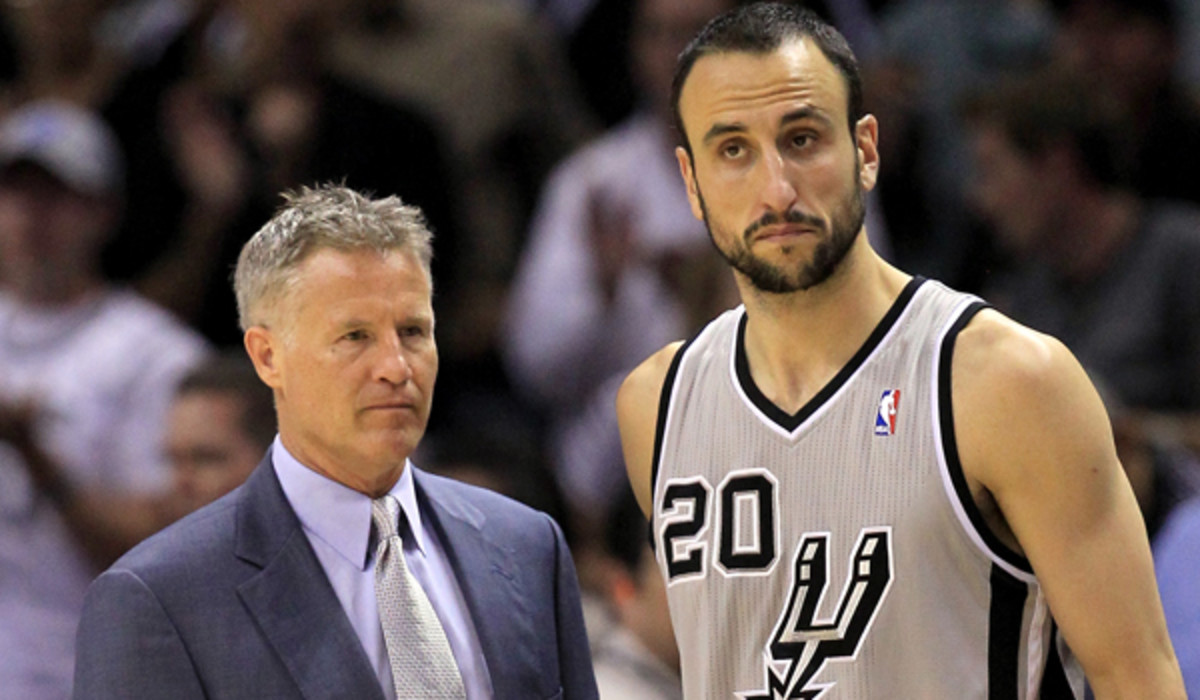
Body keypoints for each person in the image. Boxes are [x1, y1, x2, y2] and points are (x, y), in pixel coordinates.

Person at [614, 4, 1185, 698]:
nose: (777, 189)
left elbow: (1138, 677)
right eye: (733, 150)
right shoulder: (657, 405)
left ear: (866, 150)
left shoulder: (1006, 381)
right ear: (691, 181)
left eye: (802, 139)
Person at [73, 185, 599, 699]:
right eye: (355, 336)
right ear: (268, 357)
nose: (397, 367)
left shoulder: (528, 546)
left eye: (413, 332)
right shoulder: (158, 598)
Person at [0, 99, 210, 699]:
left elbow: (166, 552)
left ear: (104, 211)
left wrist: (33, 454)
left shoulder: (156, 355)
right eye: (16, 192)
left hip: (91, 673)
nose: (32, 215)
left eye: (56, 195)